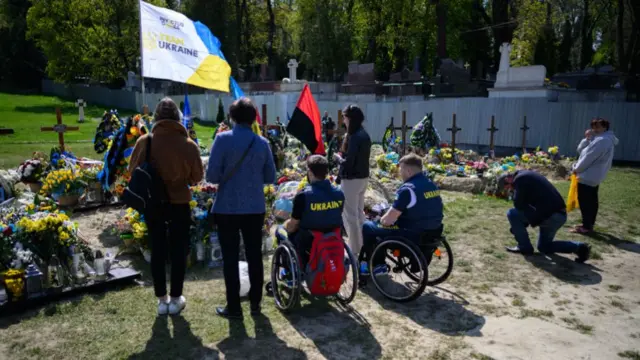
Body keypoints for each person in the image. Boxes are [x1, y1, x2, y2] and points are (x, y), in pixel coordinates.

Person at [129, 97, 204, 316]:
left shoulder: (146, 141)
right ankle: (176, 297)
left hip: (153, 202)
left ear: (156, 117)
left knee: (157, 248)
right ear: (178, 118)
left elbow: (133, 169)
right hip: (179, 203)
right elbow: (197, 177)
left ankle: (162, 300)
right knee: (179, 250)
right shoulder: (188, 144)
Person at [206, 98, 277, 319]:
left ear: (232, 117)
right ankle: (255, 304)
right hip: (254, 207)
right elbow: (270, 177)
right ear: (253, 118)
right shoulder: (262, 143)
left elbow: (212, 176)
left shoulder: (222, 139)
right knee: (255, 255)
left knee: (230, 257)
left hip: (227, 207)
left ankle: (234, 306)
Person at [361, 154, 444, 275]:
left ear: (408, 171)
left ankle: (378, 265)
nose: (400, 173)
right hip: (433, 230)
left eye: (401, 170)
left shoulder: (408, 189)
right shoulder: (431, 184)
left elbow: (387, 221)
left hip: (411, 234)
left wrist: (379, 221)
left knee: (368, 226)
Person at [499, 170, 591, 262]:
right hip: (558, 215)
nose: (510, 189)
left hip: (550, 215)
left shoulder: (520, 179)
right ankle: (579, 247)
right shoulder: (525, 175)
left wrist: (522, 224)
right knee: (543, 247)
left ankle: (524, 247)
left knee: (512, 214)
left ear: (508, 179)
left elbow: (518, 204)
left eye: (508, 187)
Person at [275, 155, 345, 269]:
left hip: (308, 241)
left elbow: (293, 226)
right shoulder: (339, 193)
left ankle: (289, 272)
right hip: (333, 237)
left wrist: (284, 226)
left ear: (310, 172)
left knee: (280, 231)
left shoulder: (303, 196)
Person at [333, 104, 371, 256]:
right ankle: (363, 244)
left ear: (350, 118)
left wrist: (338, 159)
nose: (343, 120)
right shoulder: (364, 134)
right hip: (363, 178)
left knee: (350, 217)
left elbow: (349, 162)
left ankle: (355, 252)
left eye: (344, 117)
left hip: (351, 180)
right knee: (359, 215)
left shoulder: (355, 137)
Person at [570, 117, 619, 234]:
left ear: (605, 127)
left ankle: (586, 227)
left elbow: (588, 158)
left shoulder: (602, 140)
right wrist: (587, 139)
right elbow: (581, 150)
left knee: (586, 201)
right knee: (591, 201)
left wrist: (575, 168)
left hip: (588, 175)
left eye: (598, 126)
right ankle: (588, 224)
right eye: (593, 126)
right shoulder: (601, 139)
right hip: (594, 176)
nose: (594, 129)